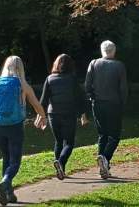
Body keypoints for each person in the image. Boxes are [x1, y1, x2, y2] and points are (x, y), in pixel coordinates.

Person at [0, 56, 47, 206]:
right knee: (15, 161)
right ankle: (5, 183)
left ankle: (8, 194)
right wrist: (42, 116)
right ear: (21, 68)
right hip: (15, 126)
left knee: (6, 157)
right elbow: (36, 104)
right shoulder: (22, 84)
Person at [38, 54, 89, 180]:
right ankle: (60, 163)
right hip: (68, 113)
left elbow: (43, 100)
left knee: (58, 141)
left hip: (53, 114)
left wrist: (40, 115)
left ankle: (61, 170)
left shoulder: (49, 79)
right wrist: (83, 114)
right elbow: (80, 98)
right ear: (70, 66)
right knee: (69, 143)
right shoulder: (72, 79)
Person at [83, 40, 128, 179]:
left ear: (102, 51)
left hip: (97, 104)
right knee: (114, 136)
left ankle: (103, 166)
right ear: (113, 51)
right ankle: (105, 159)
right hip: (114, 104)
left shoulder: (94, 63)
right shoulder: (119, 66)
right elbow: (123, 88)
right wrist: (123, 104)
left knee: (102, 134)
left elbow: (87, 84)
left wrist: (91, 96)